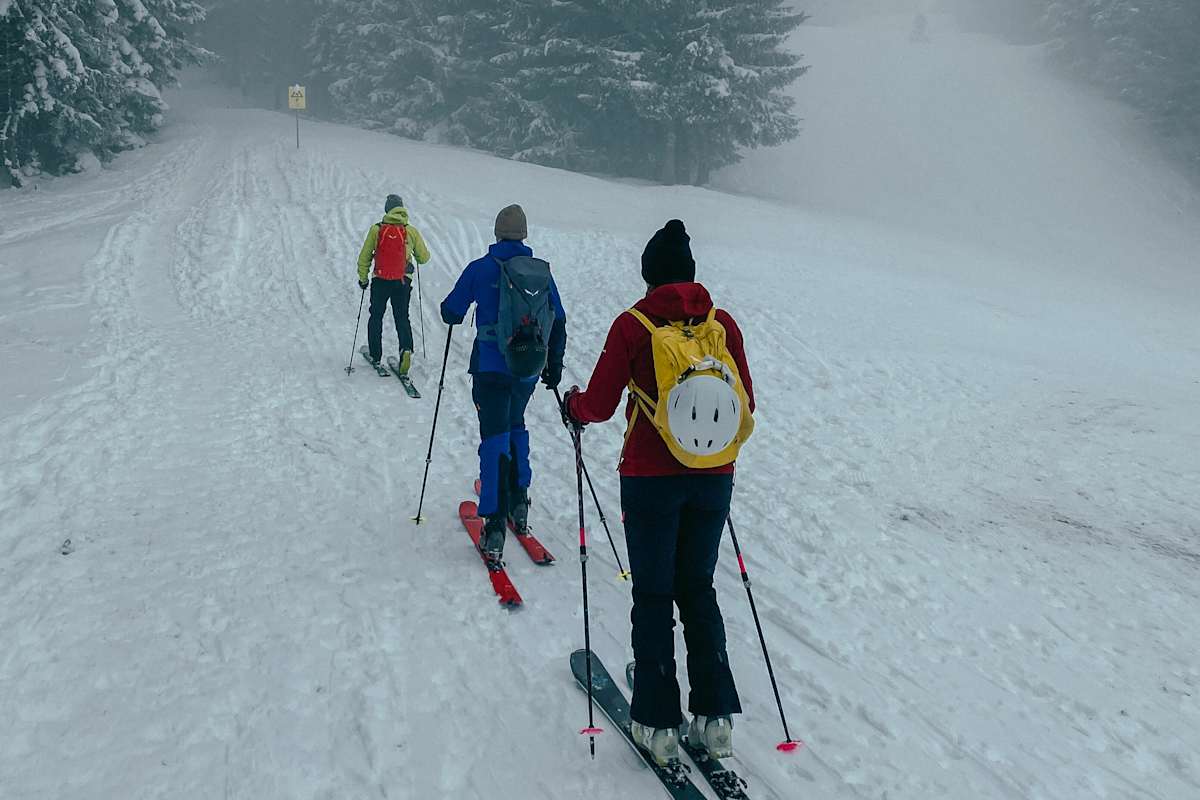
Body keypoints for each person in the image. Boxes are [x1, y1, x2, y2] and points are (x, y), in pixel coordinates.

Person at [564, 219, 755, 766]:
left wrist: (572, 407)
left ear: (648, 275)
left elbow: (598, 406)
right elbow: (747, 405)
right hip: (714, 475)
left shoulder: (633, 324)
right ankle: (714, 719)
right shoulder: (723, 324)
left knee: (652, 594)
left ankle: (658, 724)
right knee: (697, 587)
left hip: (649, 478)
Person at [440, 204, 567, 562]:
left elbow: (451, 310)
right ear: (524, 236)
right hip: (526, 369)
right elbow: (559, 319)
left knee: (494, 438)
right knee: (516, 427)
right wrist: (553, 364)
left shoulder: (481, 269)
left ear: (497, 233)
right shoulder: (540, 274)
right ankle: (519, 502)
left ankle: (494, 524)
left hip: (491, 368)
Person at [357, 194, 431, 374]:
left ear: (386, 209)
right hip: (402, 281)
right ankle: (405, 349)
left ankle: (375, 355)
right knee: (401, 316)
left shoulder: (377, 229)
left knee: (376, 316)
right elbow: (424, 258)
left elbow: (364, 256)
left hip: (380, 280)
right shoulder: (411, 231)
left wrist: (363, 278)